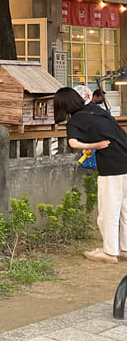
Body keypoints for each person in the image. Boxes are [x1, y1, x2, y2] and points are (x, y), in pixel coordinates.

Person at [54, 86, 127, 263]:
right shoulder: (95, 109)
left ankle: (110, 252)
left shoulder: (75, 121)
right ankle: (124, 248)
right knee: (125, 208)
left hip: (111, 164)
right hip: (125, 155)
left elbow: (73, 143)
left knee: (109, 208)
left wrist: (95, 145)